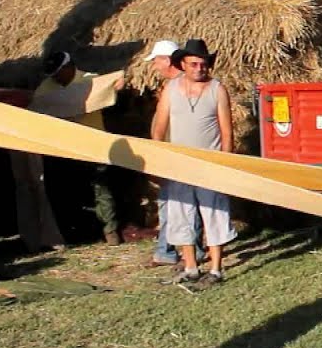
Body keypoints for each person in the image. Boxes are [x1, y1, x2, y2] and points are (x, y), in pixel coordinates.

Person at [150, 39, 236, 284]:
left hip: (210, 163)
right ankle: (190, 267)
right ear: (183, 65)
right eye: (194, 64)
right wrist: (158, 160)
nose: (200, 68)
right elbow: (159, 127)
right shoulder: (171, 89)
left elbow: (227, 131)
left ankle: (216, 269)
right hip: (180, 165)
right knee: (181, 215)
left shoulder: (217, 89)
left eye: (203, 64)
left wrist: (226, 164)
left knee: (215, 214)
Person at [33, 51, 124, 245]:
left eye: (58, 73)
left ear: (69, 67)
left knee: (101, 189)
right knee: (69, 191)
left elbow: (112, 87)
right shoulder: (45, 89)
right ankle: (78, 233)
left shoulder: (91, 81)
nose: (56, 78)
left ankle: (110, 230)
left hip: (95, 145)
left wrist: (116, 85)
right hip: (65, 148)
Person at [144, 40, 206, 269]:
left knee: (186, 204)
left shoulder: (187, 86)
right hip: (169, 154)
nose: (154, 66)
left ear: (167, 60)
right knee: (168, 204)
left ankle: (192, 252)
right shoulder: (171, 87)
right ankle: (166, 251)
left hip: (181, 155)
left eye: (156, 61)